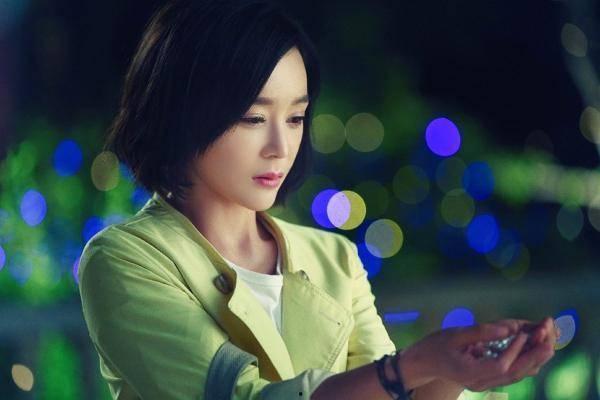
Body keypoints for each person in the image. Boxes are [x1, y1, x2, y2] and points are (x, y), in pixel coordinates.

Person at [76, 0, 557, 399]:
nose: (280, 147)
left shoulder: (333, 258)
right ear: (180, 111)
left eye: (295, 118)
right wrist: (416, 364)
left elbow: (388, 392)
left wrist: (456, 368)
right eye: (253, 118)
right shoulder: (124, 259)